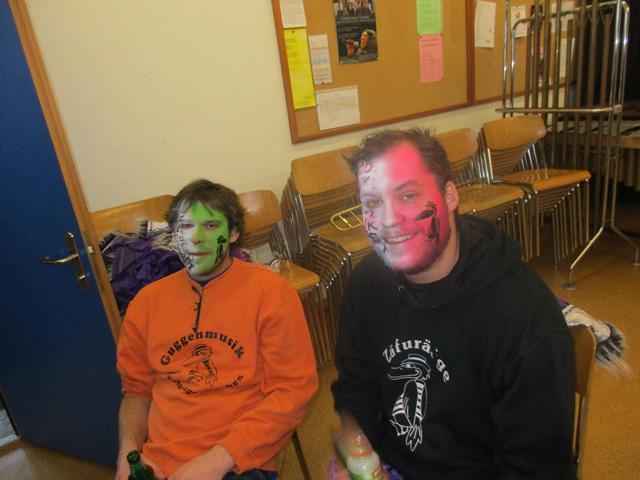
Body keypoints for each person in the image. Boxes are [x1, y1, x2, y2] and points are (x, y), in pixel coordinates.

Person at [331, 129, 576, 479]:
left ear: (449, 195)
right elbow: (356, 388)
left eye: (408, 195)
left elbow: (535, 466)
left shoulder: (523, 315)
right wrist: (357, 454)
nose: (388, 220)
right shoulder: (367, 283)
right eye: (372, 203)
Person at [115, 179, 318, 480]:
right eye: (185, 227)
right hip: (159, 462)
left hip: (241, 458)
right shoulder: (145, 304)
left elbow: (293, 390)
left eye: (210, 226)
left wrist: (217, 461)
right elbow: (137, 392)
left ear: (233, 233)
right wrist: (129, 451)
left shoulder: (271, 293)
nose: (196, 239)